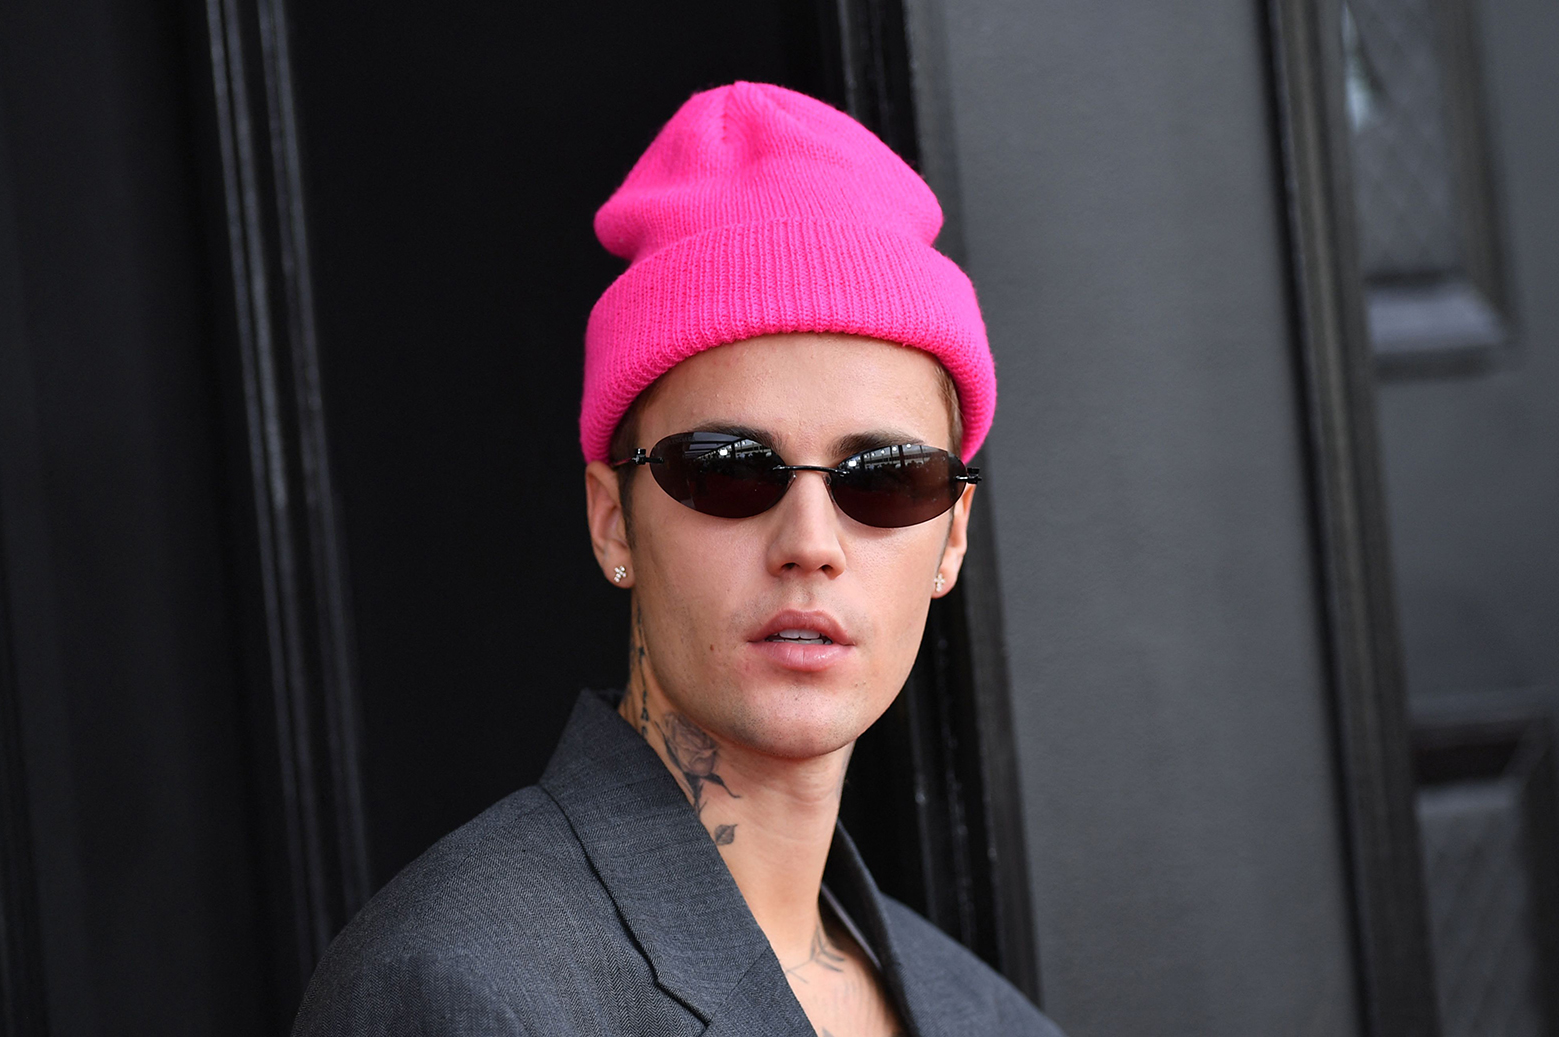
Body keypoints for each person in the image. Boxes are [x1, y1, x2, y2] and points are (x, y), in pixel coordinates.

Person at [292, 81, 1062, 1037]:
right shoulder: (462, 988)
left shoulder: (995, 1022)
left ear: (950, 533)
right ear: (614, 520)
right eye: (730, 471)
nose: (811, 544)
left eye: (886, 479)